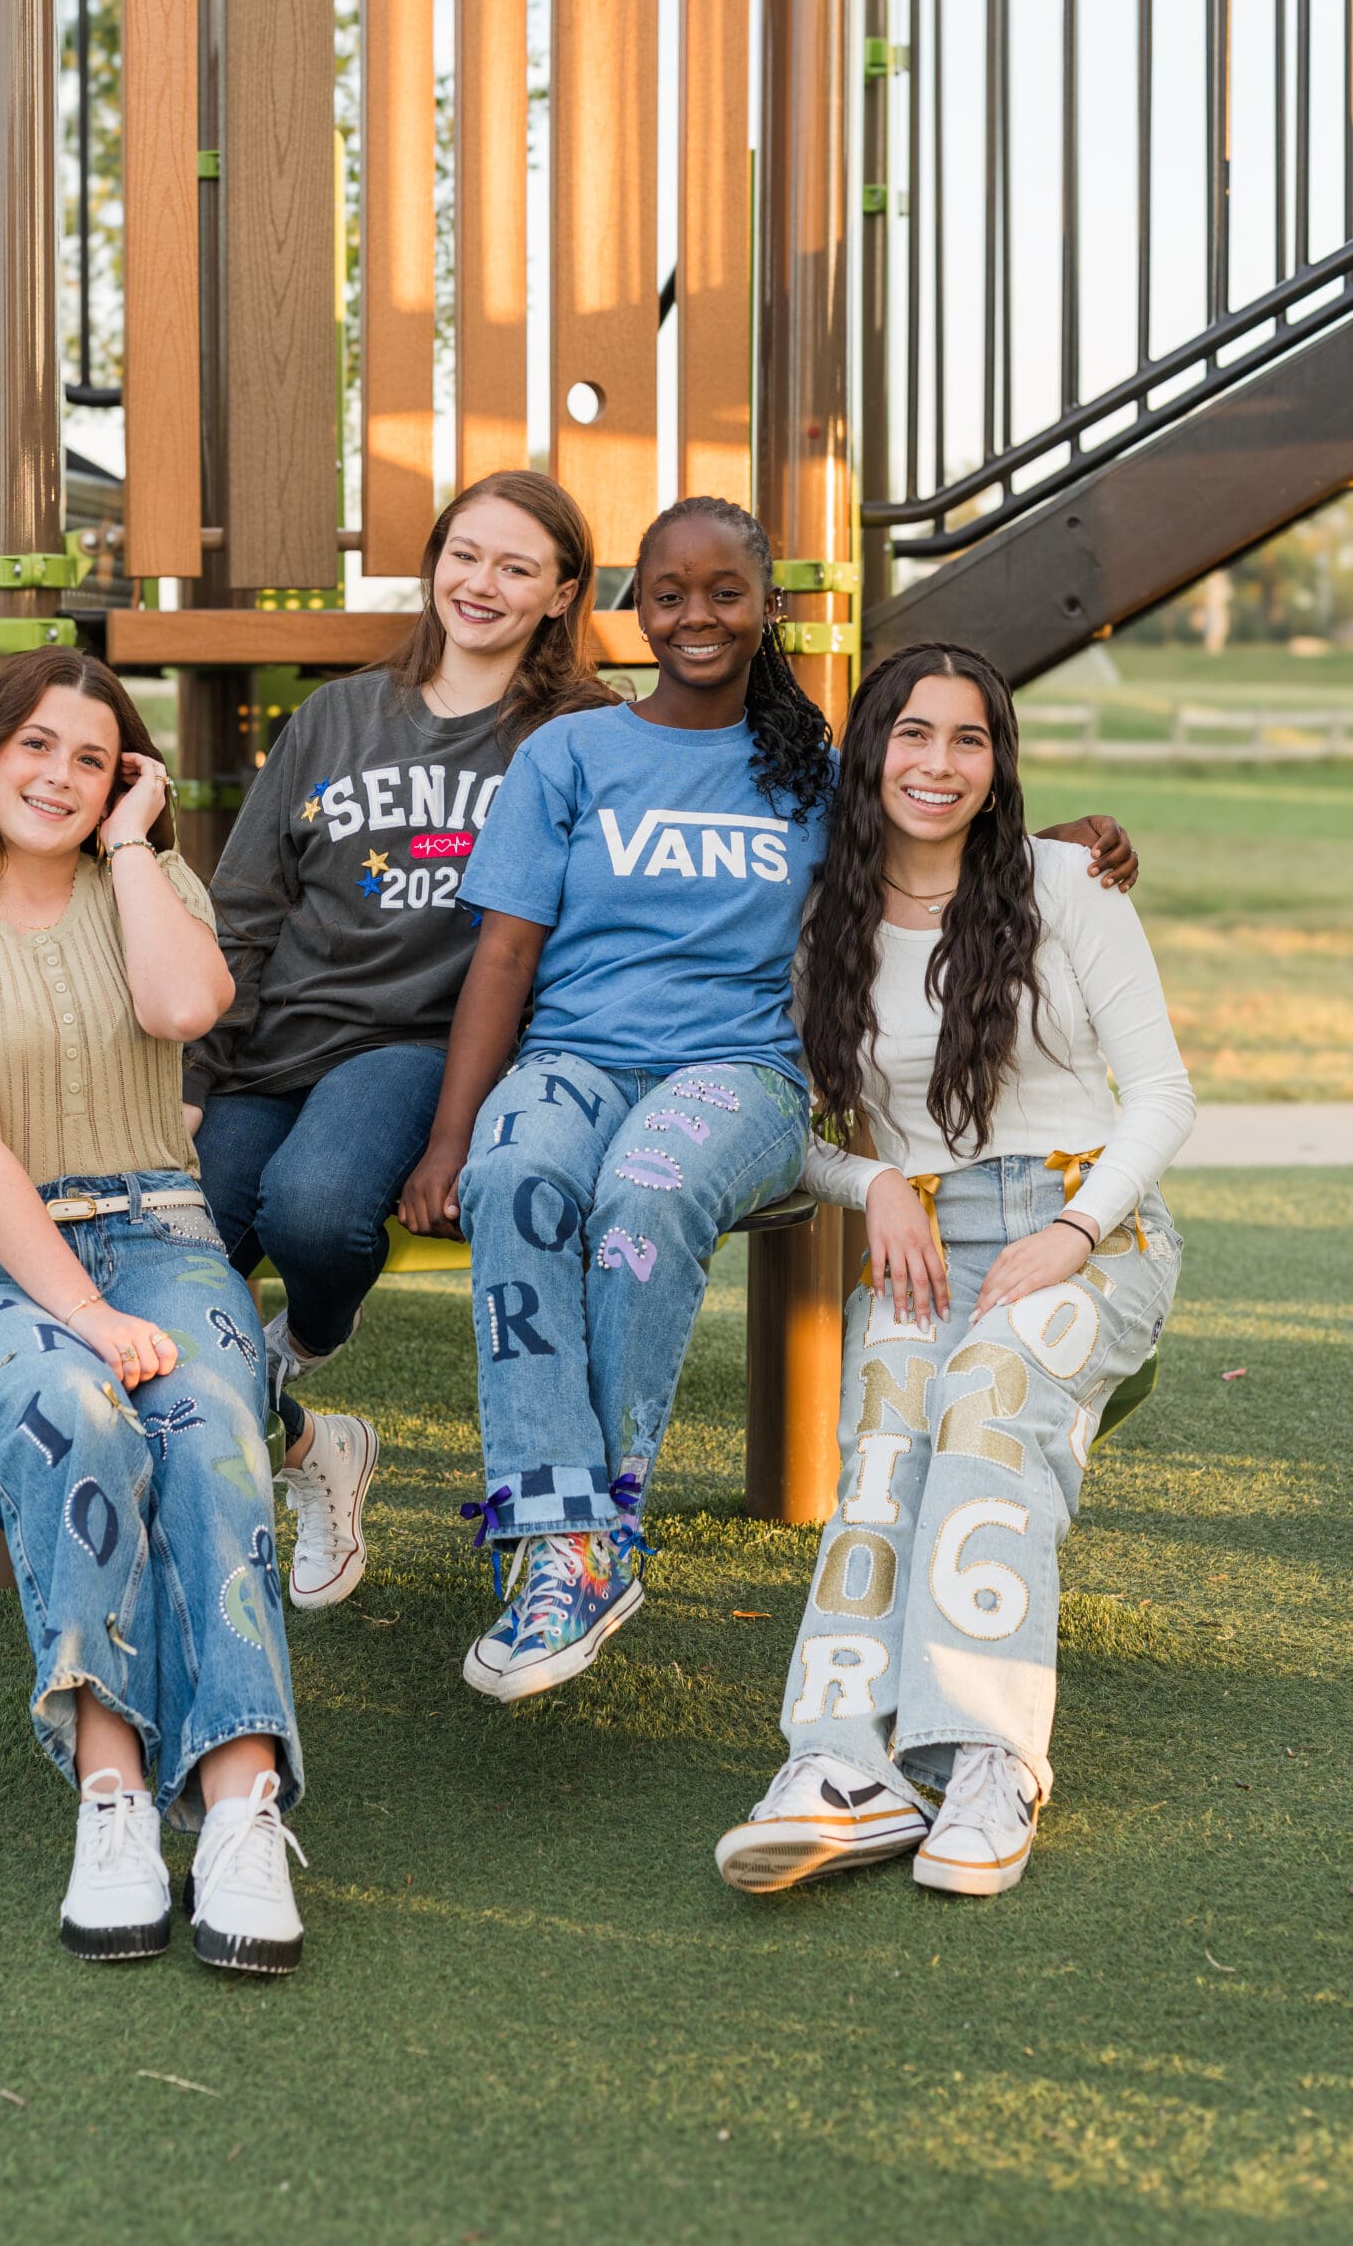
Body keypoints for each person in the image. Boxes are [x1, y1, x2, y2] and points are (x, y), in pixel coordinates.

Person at [401, 500, 1142, 1712]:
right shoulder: (571, 756)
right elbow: (502, 957)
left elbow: (939, 825)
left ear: (766, 607)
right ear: (631, 609)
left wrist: (1060, 841)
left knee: (649, 1189)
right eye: (671, 594)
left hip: (740, 1075)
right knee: (510, 1179)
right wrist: (449, 1137)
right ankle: (561, 1541)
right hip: (575, 1055)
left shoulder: (816, 767)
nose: (698, 616)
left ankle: (591, 1538)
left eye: (726, 591)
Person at [714, 638, 1193, 1903]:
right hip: (924, 1237)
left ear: (998, 763)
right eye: (913, 734)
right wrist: (871, 1182)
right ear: (870, 751)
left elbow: (1162, 1094)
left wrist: (1075, 1229)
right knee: (881, 1443)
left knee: (984, 1397)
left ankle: (986, 1757)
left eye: (968, 738)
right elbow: (790, 1128)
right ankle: (838, 1765)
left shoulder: (1068, 884)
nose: (939, 762)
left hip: (1091, 1233)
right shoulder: (821, 914)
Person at [0, 647, 308, 1974]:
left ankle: (237, 1801)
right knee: (77, 1409)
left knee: (213, 1418)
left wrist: (129, 847)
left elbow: (184, 1007)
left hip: (162, 1232)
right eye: (36, 748)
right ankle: (110, 1798)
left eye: (93, 760)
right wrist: (85, 1317)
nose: (59, 776)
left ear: (126, 783)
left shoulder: (145, 881)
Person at [183, 469, 613, 1611]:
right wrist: (196, 1073)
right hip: (279, 1036)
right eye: (465, 554)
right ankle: (314, 1446)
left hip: (423, 1041)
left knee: (314, 1209)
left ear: (562, 593)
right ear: (432, 562)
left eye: (518, 567)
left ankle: (305, 1343)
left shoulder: (580, 734)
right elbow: (247, 906)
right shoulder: (335, 716)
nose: (482, 583)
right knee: (188, 1241)